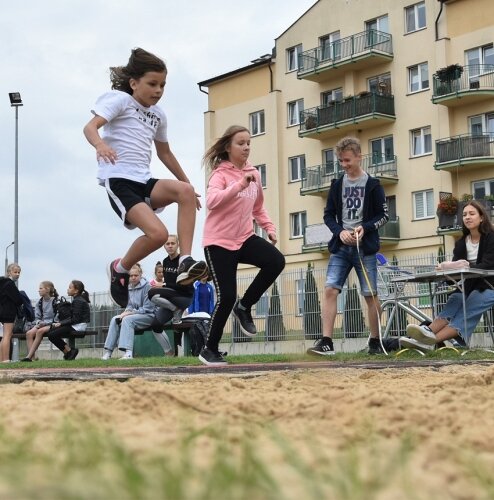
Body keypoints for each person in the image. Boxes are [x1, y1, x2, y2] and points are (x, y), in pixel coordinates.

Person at [83, 47, 207, 309]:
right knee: (159, 235)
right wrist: (99, 146)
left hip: (144, 180)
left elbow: (164, 153)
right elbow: (90, 126)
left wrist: (188, 183)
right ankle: (120, 268)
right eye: (152, 84)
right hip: (119, 179)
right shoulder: (119, 100)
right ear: (133, 83)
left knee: (183, 192)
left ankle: (185, 260)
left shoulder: (158, 115)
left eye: (163, 85)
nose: (158, 90)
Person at [199, 125, 286, 366]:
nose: (246, 147)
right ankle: (209, 349)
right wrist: (238, 185)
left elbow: (258, 207)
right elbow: (212, 202)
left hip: (244, 237)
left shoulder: (254, 174)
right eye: (241, 143)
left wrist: (269, 227)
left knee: (276, 261)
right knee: (226, 296)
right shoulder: (220, 175)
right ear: (228, 147)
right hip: (218, 242)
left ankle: (245, 305)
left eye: (249, 142)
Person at [307, 136, 389, 356]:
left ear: (359, 157)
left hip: (366, 249)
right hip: (341, 248)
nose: (344, 165)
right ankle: (326, 342)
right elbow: (328, 215)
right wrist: (340, 232)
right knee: (330, 290)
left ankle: (375, 341)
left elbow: (384, 215)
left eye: (347, 160)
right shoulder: (337, 184)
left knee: (370, 295)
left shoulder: (373, 184)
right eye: (341, 161)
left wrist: (366, 228)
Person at [402, 200, 494, 352]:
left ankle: (427, 341)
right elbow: (456, 273)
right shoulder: (460, 243)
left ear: (482, 217)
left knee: (470, 306)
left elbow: (488, 265)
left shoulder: (491, 237)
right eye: (464, 215)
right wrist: (446, 269)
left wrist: (464, 266)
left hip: (489, 286)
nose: (467, 217)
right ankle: (426, 334)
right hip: (466, 286)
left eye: (472, 214)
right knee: (454, 301)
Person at [102, 264, 157, 360]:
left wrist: (129, 313)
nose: (133, 278)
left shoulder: (148, 287)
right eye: (131, 276)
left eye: (136, 275)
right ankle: (108, 352)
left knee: (127, 320)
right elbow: (130, 306)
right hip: (135, 316)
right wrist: (126, 312)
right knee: (115, 319)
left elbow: (148, 309)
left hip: (149, 316)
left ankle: (128, 353)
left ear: (140, 275)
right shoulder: (129, 288)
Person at [47, 280, 90, 361]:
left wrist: (61, 323)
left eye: (70, 288)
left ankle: (69, 351)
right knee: (51, 333)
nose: (68, 289)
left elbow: (75, 319)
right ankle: (69, 352)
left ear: (76, 290)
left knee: (52, 334)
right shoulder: (77, 300)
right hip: (75, 324)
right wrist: (61, 323)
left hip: (78, 326)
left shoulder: (78, 301)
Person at [22, 281, 59, 362]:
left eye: (40, 288)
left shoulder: (55, 301)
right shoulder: (39, 302)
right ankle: (33, 358)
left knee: (39, 332)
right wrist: (39, 322)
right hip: (42, 324)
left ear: (47, 290)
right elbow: (37, 317)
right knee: (29, 334)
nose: (38, 290)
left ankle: (29, 356)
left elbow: (57, 317)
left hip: (52, 324)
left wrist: (45, 323)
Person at [0, 263, 24, 362]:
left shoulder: (2, 283)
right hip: (8, 312)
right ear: (9, 272)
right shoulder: (9, 284)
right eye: (15, 272)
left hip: (2, 311)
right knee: (7, 335)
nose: (17, 274)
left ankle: (1, 360)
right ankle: (6, 359)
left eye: (19, 272)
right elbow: (18, 300)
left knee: (3, 336)